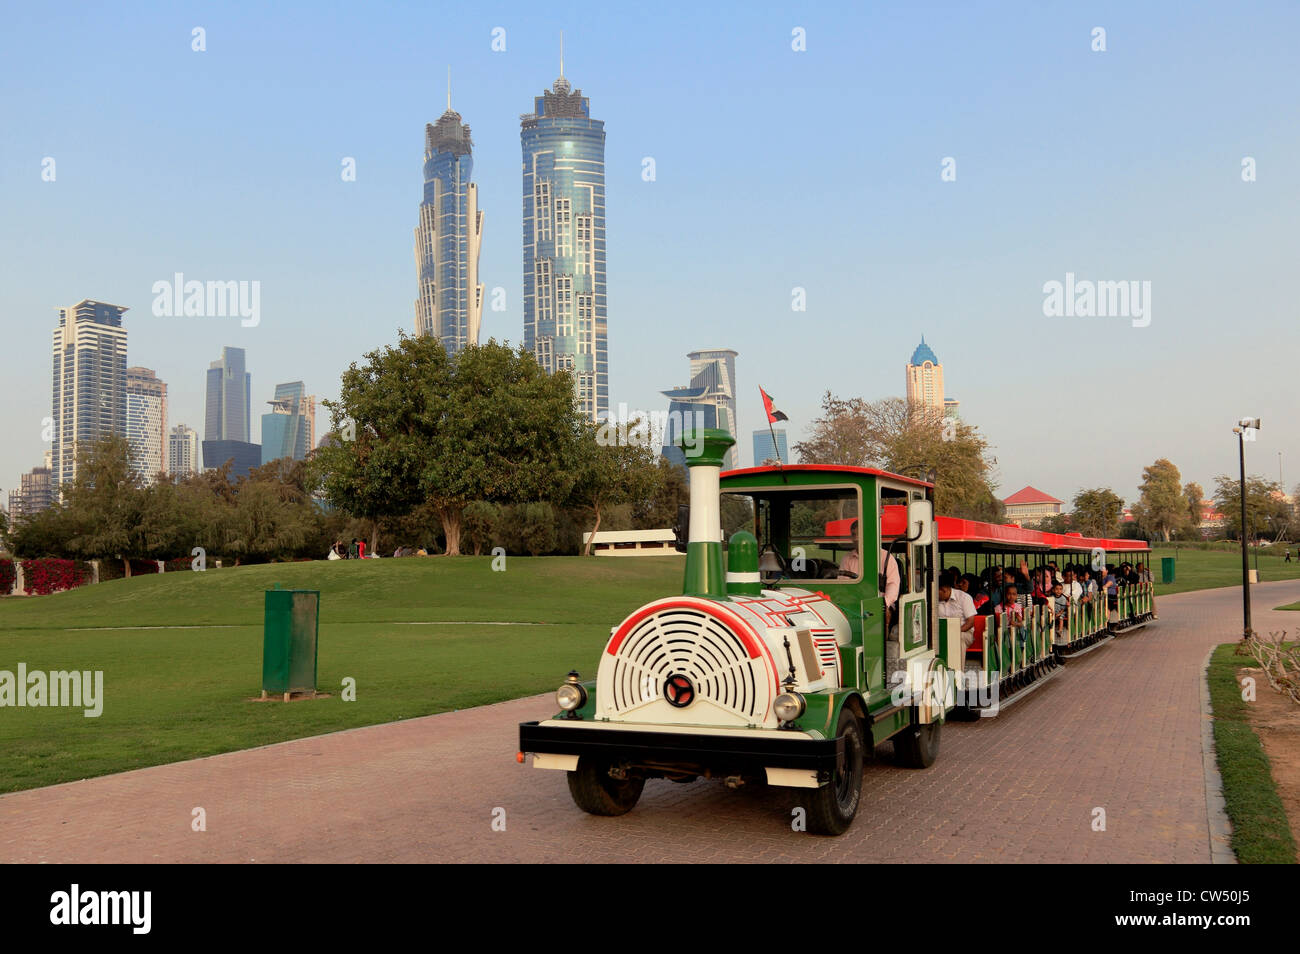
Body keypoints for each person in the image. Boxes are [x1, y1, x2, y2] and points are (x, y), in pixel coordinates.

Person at [937, 574, 977, 649]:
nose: (935, 595)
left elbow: (970, 622)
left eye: (937, 592)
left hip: (963, 632)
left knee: (958, 638)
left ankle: (958, 661)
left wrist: (955, 632)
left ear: (943, 590)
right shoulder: (934, 600)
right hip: (941, 633)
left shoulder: (964, 597)